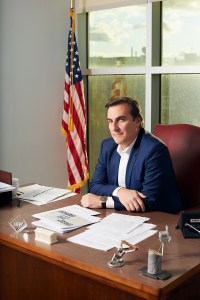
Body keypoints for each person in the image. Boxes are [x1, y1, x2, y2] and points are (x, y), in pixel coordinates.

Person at [81, 97, 182, 214]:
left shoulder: (154, 150)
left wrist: (103, 201)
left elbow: (149, 200)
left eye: (121, 120)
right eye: (110, 121)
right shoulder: (107, 146)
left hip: (159, 217)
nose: (114, 128)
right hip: (123, 215)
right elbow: (95, 185)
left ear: (137, 121)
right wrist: (120, 191)